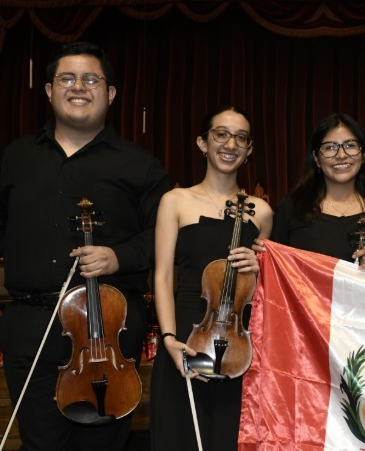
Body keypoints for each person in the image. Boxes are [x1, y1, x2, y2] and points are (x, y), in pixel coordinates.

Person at [0, 41, 171, 450]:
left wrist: (118, 256)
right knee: (38, 443)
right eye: (68, 78)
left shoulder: (140, 165)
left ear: (110, 93)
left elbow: (165, 236)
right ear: (48, 90)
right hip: (31, 326)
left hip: (107, 332)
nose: (79, 86)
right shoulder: (17, 156)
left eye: (91, 79)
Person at [150, 105, 273, 451]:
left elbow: (264, 294)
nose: (230, 144)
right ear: (203, 143)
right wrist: (169, 339)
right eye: (221, 134)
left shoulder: (262, 212)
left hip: (238, 345)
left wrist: (261, 269)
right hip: (185, 334)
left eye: (240, 138)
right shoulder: (175, 201)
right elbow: (163, 276)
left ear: (249, 150)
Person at [268, 113, 365, 272]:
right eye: (330, 147)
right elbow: (273, 268)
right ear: (316, 159)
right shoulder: (293, 207)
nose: (341, 155)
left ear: (363, 155)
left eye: (350, 145)